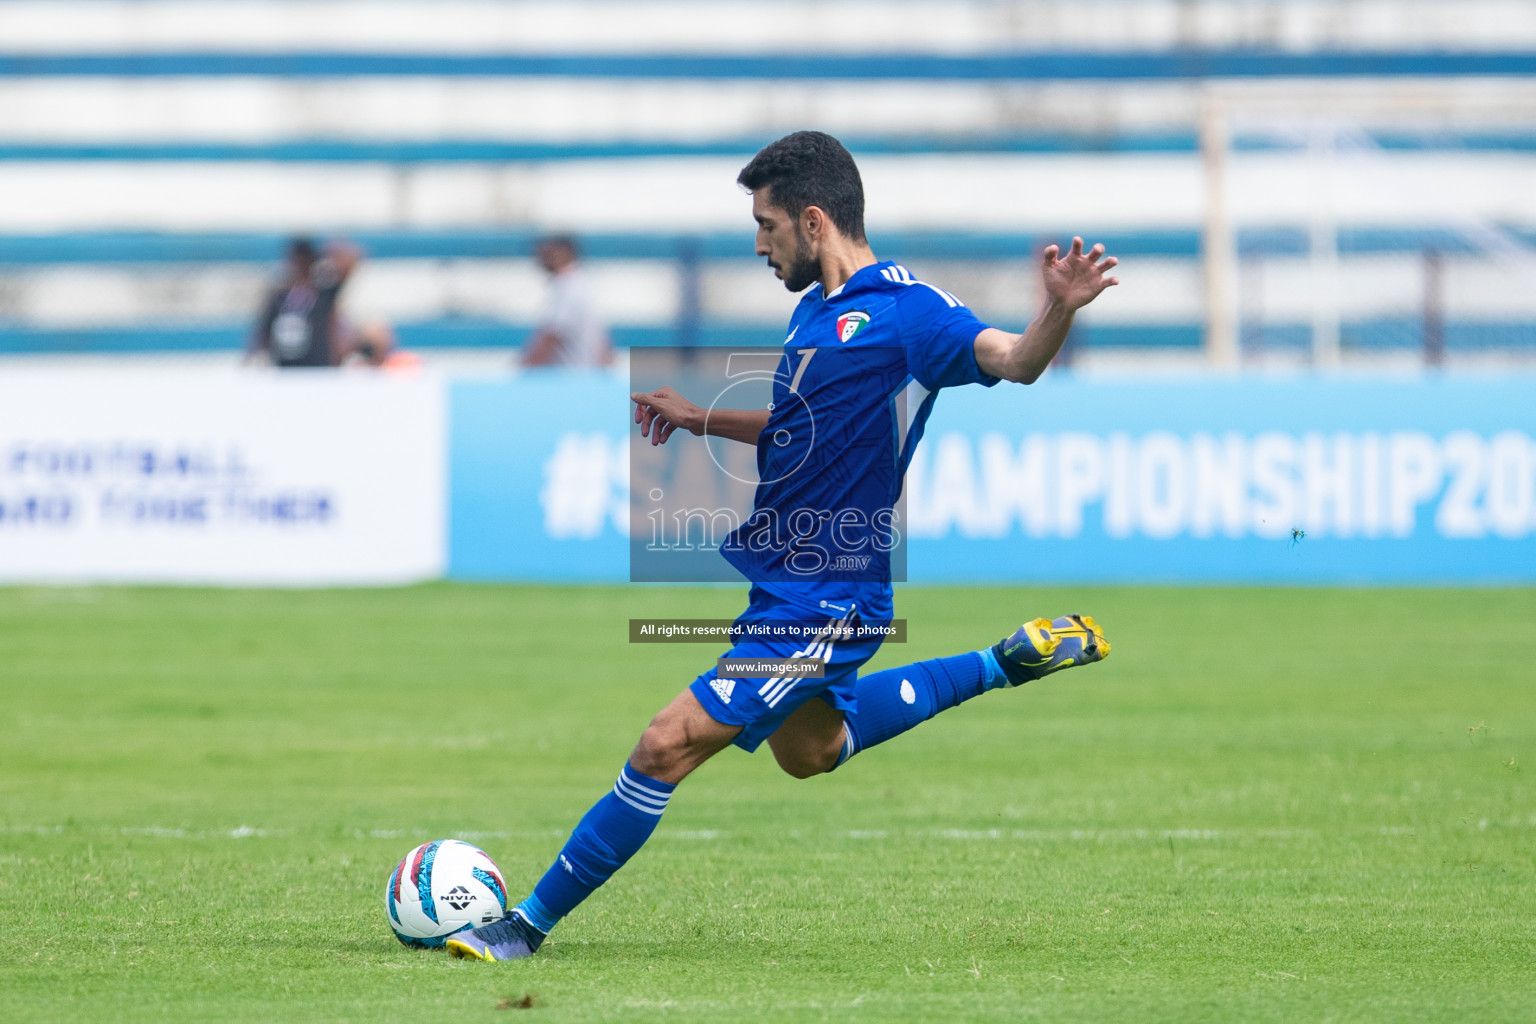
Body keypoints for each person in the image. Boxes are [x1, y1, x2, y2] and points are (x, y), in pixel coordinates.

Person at [447, 131, 1119, 962]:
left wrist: (1056, 306)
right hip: (788, 586)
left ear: (812, 219)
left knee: (667, 741)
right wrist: (699, 417)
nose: (759, 244)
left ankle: (524, 927)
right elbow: (798, 430)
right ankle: (1002, 663)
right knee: (812, 751)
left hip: (831, 593)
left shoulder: (913, 313)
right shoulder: (814, 313)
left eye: (766, 226)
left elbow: (1014, 360)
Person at [247, 238, 360, 368]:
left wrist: (327, 251)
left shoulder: (323, 292)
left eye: (303, 261)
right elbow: (263, 331)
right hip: (285, 372)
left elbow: (352, 261)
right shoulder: (279, 296)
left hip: (318, 370)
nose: (298, 266)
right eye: (295, 261)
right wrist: (252, 358)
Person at [519, 235, 611, 368]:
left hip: (570, 375)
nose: (542, 257)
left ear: (566, 254)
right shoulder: (581, 283)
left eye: (549, 252)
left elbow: (553, 335)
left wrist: (526, 367)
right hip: (586, 373)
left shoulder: (567, 286)